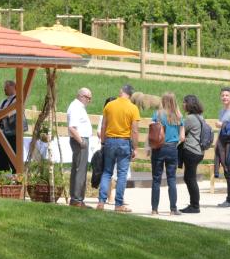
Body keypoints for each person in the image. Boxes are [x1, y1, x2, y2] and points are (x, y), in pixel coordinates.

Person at [97, 84, 140, 213]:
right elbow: (135, 130)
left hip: (109, 141)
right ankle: (118, 204)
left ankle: (101, 202)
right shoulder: (133, 108)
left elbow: (103, 125)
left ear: (121, 92)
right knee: (121, 174)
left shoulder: (109, 105)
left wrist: (103, 142)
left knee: (107, 172)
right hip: (124, 142)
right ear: (130, 95)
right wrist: (135, 148)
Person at [150, 92, 184, 216]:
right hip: (172, 149)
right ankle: (173, 209)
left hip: (158, 148)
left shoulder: (157, 114)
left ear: (163, 101)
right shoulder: (179, 116)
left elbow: (152, 132)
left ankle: (154, 209)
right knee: (171, 179)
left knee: (156, 179)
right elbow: (182, 137)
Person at [179, 94, 207, 213]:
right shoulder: (200, 117)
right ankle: (194, 204)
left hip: (191, 151)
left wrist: (180, 120)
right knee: (189, 177)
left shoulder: (190, 119)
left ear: (189, 104)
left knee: (190, 178)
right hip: (199, 152)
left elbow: (181, 134)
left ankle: (195, 206)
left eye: (184, 102)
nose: (182, 104)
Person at [66, 87, 93, 207]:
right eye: (88, 98)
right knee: (80, 170)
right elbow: (72, 127)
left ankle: (76, 199)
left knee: (77, 169)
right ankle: (77, 199)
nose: (89, 101)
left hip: (79, 139)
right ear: (82, 96)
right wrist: (81, 141)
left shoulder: (77, 107)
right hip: (79, 140)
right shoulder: (76, 107)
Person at [0, 80, 25, 173]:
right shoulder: (4, 101)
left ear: (12, 86)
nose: (4, 89)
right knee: (1, 161)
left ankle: (16, 183)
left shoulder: (18, 99)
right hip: (3, 133)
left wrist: (2, 112)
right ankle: (4, 183)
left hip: (14, 135)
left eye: (6, 86)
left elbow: (10, 113)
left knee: (14, 160)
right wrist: (3, 111)